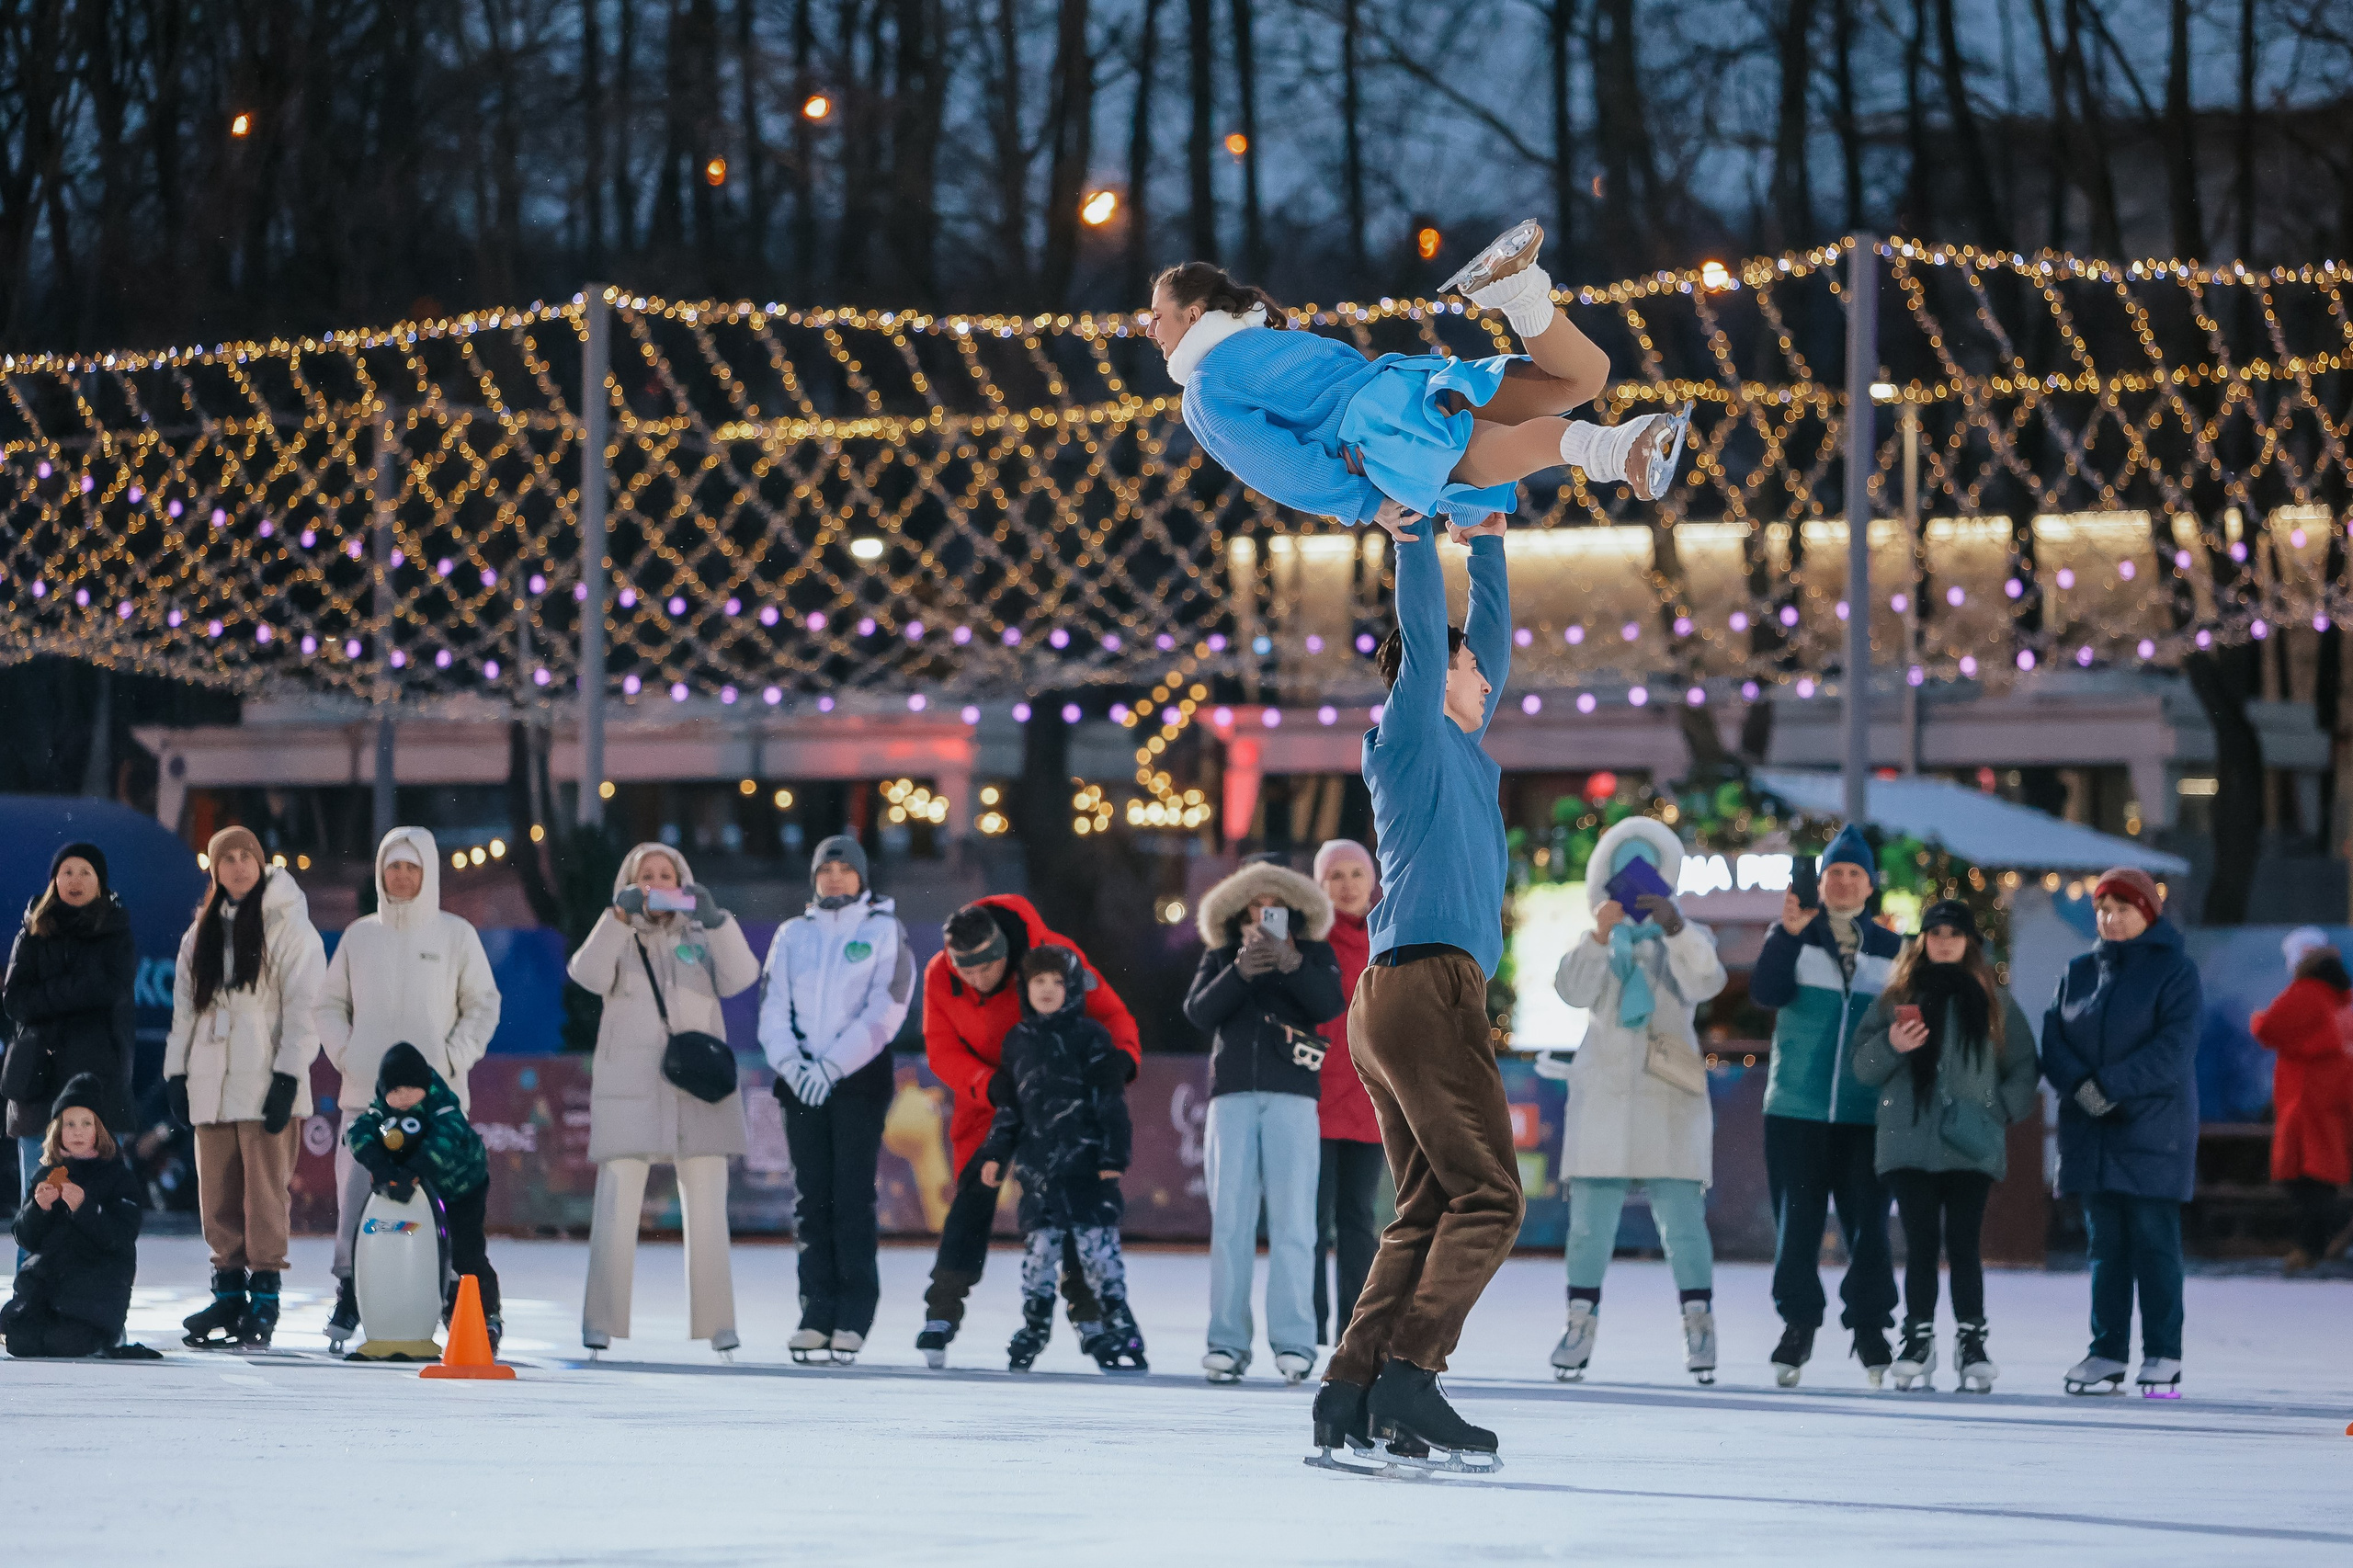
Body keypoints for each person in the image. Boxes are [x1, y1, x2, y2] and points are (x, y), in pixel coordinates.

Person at [1311, 506, 1519, 1471]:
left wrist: (1486, 538)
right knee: (1491, 1195)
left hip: (1412, 991)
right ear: (1434, 677)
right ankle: (1410, 1372)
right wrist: (1409, 543)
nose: (1488, 674)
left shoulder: (1463, 756)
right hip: (1425, 988)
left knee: (1428, 1204)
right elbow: (1433, 648)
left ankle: (1349, 1390)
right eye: (1469, 666)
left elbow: (1492, 645)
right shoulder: (1408, 738)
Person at [1149, 225, 1688, 535]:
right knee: (1582, 378)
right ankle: (1518, 291)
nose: (1149, 329)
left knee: (1510, 446)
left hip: (1383, 439)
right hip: (1411, 383)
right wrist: (1470, 511)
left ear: (1194, 314)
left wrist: (1364, 504)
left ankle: (1621, 451)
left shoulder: (1205, 389)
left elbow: (1275, 466)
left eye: (1157, 316)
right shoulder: (1272, 340)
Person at [915, 894, 1142, 1367]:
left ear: (1004, 957)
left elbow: (1112, 1014)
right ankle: (942, 1307)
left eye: (986, 970)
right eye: (966, 973)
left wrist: (1118, 1062)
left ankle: (1089, 1315)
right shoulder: (940, 973)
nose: (976, 980)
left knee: (1074, 1208)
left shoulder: (1052, 959)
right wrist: (988, 1084)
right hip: (993, 1102)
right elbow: (940, 1049)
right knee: (972, 1199)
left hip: (1062, 1107)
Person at [1547, 817, 1726, 1385]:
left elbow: (1707, 984)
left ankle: (1700, 1327)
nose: (1636, 884)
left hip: (1668, 1097)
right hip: (1604, 1095)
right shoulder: (1597, 939)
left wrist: (1675, 930)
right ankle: (1579, 1326)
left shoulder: (1685, 936)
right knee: (1588, 1225)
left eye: (1647, 870)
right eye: (1624, 872)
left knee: (1683, 1221)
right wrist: (1600, 938)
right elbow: (1572, 992)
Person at [568, 842, 760, 1358]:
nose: (656, 882)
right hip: (630, 1088)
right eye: (645, 875)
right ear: (630, 884)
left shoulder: (702, 936)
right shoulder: (618, 936)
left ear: (683, 882)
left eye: (666, 874)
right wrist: (615, 918)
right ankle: (600, 1322)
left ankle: (719, 1326)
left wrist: (718, 921)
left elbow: (743, 978)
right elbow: (585, 975)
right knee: (615, 1208)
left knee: (708, 1212)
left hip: (698, 1090)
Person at [315, 826, 501, 1350]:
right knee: (358, 1211)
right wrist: (349, 1054)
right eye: (393, 866)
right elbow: (329, 1005)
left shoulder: (455, 935)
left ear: (429, 873)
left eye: (411, 867)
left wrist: (452, 1058)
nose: (401, 876)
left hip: (438, 1111)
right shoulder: (360, 936)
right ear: (380, 873)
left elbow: (483, 1004)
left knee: (445, 1218)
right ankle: (352, 1295)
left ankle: (460, 1306)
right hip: (365, 1107)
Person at [1849, 900, 2040, 1393]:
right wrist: (1893, 1043)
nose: (1944, 941)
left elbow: (2023, 1065)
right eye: (1935, 933)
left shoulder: (1994, 1000)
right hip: (1908, 1141)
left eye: (1954, 933)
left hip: (1969, 1142)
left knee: (1964, 1244)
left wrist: (1998, 1110)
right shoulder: (1897, 998)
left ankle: (1971, 1342)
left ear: (1970, 942)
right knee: (1919, 1246)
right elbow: (1863, 1068)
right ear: (1922, 941)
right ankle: (1918, 1339)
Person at [1746, 822, 1903, 1388]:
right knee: (1798, 1226)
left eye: (1853, 873)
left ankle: (1870, 1329)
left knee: (1870, 1228)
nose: (1841, 882)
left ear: (1871, 885)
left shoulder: (1893, 950)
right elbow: (1765, 993)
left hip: (1865, 1115)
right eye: (1833, 872)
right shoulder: (1793, 935)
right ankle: (1798, 1326)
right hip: (1795, 1109)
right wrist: (1786, 935)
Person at [164, 825, 326, 1350]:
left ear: (261, 863)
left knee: (264, 1197)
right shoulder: (200, 933)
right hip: (211, 1086)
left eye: (245, 857)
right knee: (217, 1199)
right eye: (225, 858)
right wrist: (176, 1072)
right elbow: (186, 1011)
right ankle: (229, 1292)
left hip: (264, 1085)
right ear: (213, 869)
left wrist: (287, 1076)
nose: (236, 866)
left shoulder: (290, 929)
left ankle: (265, 1297)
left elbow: (306, 1012)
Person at [1184, 857, 1346, 1384]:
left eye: (1276, 904)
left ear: (1294, 909)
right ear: (1240, 909)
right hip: (1231, 1096)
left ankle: (1294, 1342)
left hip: (1293, 1095)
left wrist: (1292, 963)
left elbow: (1329, 1004)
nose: (1266, 911)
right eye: (1257, 903)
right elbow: (1198, 1013)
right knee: (1229, 1222)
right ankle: (1227, 1342)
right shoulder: (1221, 953)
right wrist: (1238, 972)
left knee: (1295, 1223)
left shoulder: (1314, 952)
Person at [2041, 867, 2201, 1397]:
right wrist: (2084, 1090)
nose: (2110, 919)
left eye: (2122, 909)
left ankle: (2162, 1353)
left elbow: (2172, 1050)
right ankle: (2106, 1352)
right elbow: (2056, 1039)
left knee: (2155, 1244)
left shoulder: (2175, 973)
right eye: (2103, 910)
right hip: (2092, 1133)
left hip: (2151, 1130)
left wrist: (2108, 1086)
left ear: (2147, 913)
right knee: (2105, 1248)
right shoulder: (2079, 971)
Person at [756, 835, 914, 1366]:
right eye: (827, 869)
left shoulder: (883, 931)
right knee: (811, 1199)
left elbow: (887, 1009)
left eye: (846, 869)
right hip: (800, 1082)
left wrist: (833, 1065)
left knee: (850, 1197)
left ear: (863, 877)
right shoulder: (792, 934)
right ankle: (816, 1310)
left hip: (858, 1082)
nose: (836, 878)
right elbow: (772, 1006)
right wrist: (795, 1064)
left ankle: (853, 1312)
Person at [976, 946, 1144, 1372]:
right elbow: (1010, 1109)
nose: (1047, 990)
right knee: (1039, 1257)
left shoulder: (1091, 1037)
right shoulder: (1018, 1041)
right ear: (1024, 988)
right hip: (1038, 1175)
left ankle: (1117, 1321)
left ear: (1071, 988)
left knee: (1098, 1253)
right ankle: (1033, 1325)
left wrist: (1113, 1154)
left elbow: (1111, 1103)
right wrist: (996, 1153)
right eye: (1038, 982)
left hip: (1088, 1170)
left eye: (1057, 982)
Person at [4, 842, 137, 1266]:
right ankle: (28, 1301)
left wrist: (49, 997)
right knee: (37, 1198)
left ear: (100, 882)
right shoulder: (33, 929)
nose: (74, 881)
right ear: (53, 880)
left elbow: (109, 989)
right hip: (37, 1086)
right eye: (66, 872)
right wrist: (75, 993)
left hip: (94, 1091)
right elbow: (14, 1000)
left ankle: (89, 1303)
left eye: (84, 872)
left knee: (93, 1199)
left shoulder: (115, 930)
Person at [345, 1041, 498, 1348]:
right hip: (416, 1193)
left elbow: (445, 1139)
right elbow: (356, 1131)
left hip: (460, 1190)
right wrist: (380, 1165)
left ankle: (483, 1317)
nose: (402, 1099)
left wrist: (411, 1170)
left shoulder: (443, 1105)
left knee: (464, 1251)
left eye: (410, 1090)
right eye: (395, 1091)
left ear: (425, 1086)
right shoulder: (381, 1107)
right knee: (413, 1250)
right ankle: (395, 1306)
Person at [3, 1074, 153, 1358]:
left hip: (95, 1290)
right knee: (21, 1343)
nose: (78, 1132)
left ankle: (107, 1334)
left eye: (86, 1124)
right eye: (70, 1124)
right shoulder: (46, 1175)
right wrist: (39, 1209)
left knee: (65, 1344)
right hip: (48, 1288)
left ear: (100, 1130)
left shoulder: (119, 1178)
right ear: (57, 1131)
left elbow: (120, 1239)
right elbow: (25, 1236)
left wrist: (85, 1209)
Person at [1311, 838, 1383, 1347]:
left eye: (1357, 873)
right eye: (1336, 875)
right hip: (1311, 1098)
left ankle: (1354, 1331)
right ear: (1319, 885)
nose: (1348, 885)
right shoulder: (1306, 941)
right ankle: (1308, 1328)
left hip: (1371, 1098)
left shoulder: (1390, 939)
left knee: (1359, 1220)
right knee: (1309, 1222)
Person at [2249, 929, 2353, 1274]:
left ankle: (2315, 1242)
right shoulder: (2342, 997)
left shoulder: (2304, 993)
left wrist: (2257, 1019)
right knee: (2320, 1175)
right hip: (2335, 1093)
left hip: (2305, 1098)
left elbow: (2269, 1029)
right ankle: (2315, 1245)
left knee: (2300, 1177)